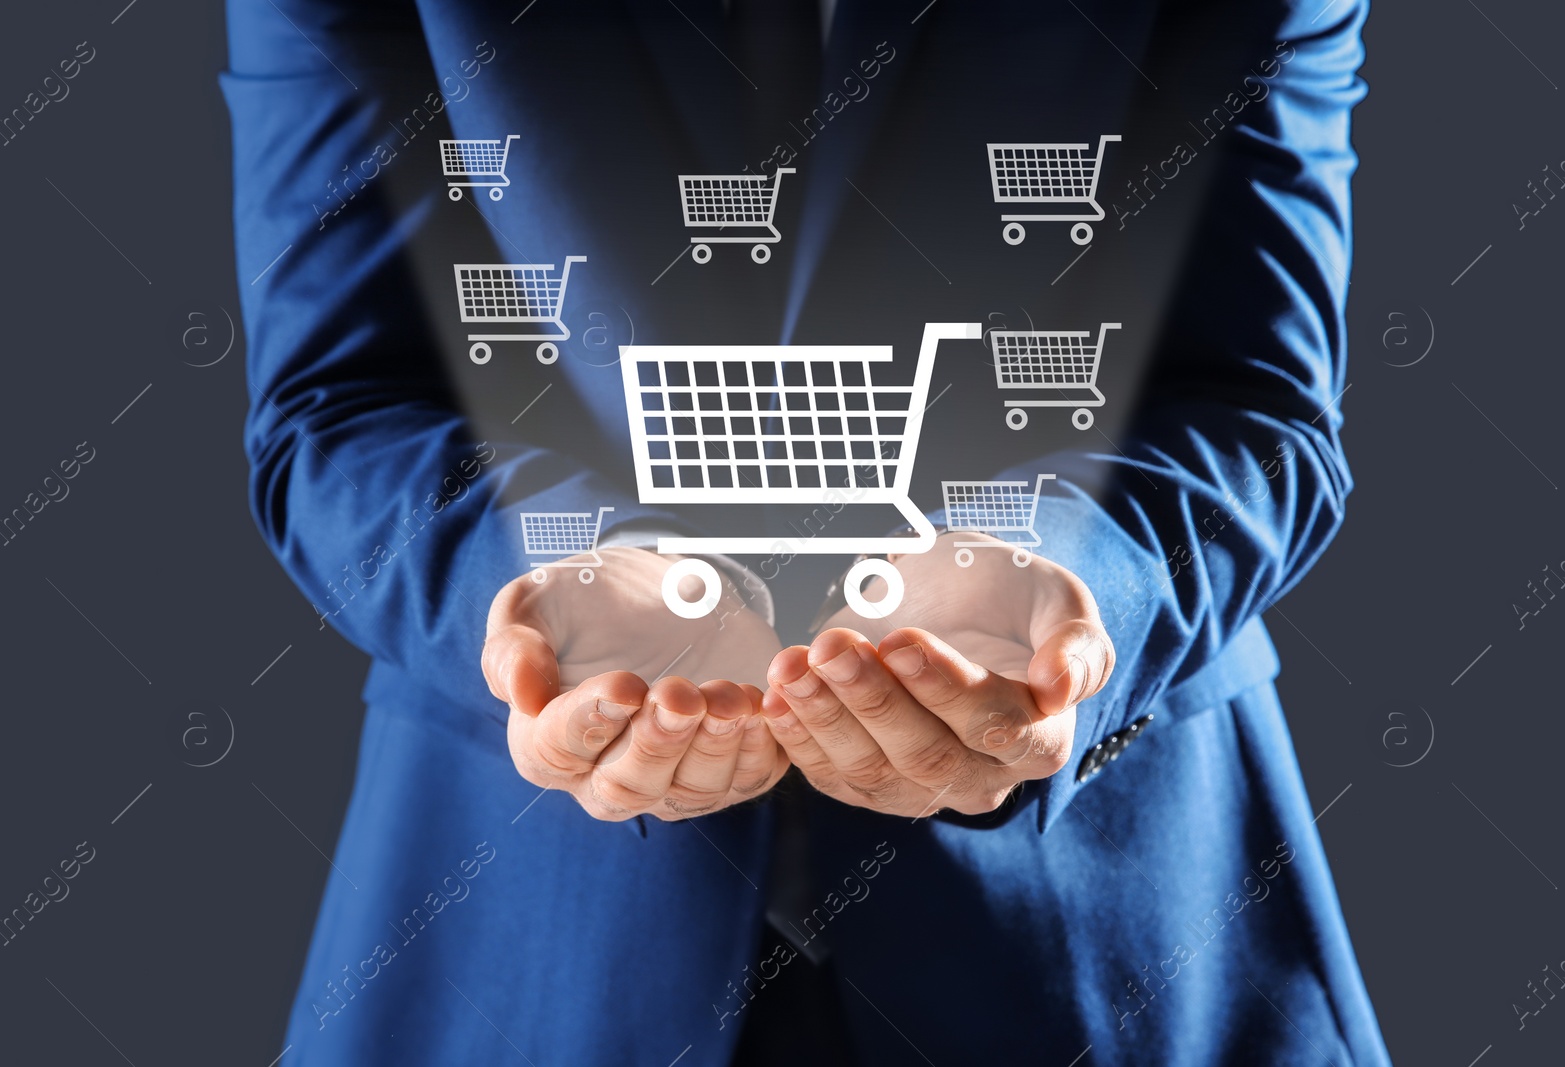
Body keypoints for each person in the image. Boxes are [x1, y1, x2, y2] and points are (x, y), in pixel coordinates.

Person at [225, 0, 1391, 1063]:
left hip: (1114, 928)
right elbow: (338, 401)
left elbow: (1255, 397)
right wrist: (544, 567)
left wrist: (1066, 570)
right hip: (528, 938)